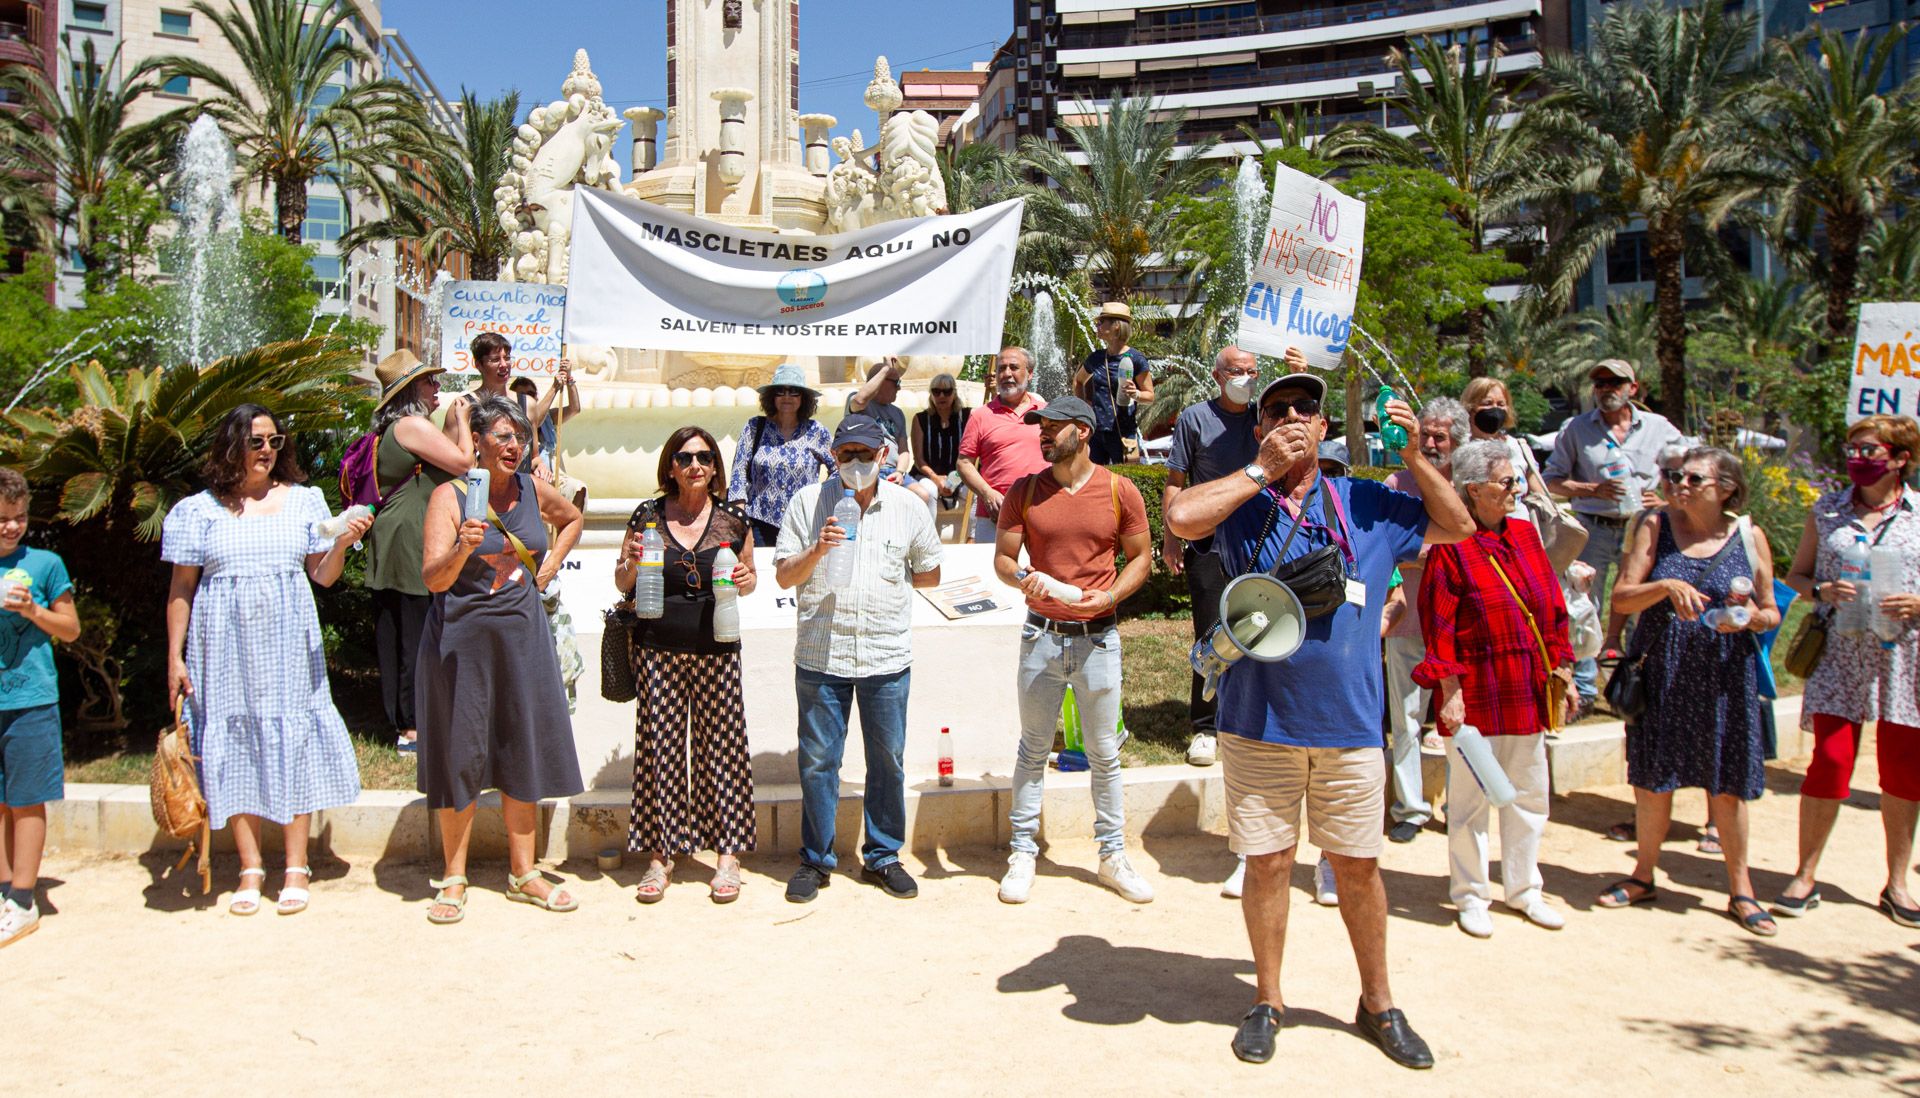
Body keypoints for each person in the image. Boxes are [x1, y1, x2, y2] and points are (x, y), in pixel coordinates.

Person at [1166, 371, 1471, 1069]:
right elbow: (1180, 519)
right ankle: (1267, 1000)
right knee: (1270, 866)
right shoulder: (1246, 504)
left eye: (1306, 407)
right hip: (1258, 720)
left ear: (1326, 425)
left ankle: (1378, 1003)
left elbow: (1458, 526)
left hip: (1351, 724)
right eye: (1276, 409)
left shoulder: (1365, 503)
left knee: (1358, 869)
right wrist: (1258, 467)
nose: (1293, 415)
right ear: (1261, 426)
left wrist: (1419, 456)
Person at [163, 405, 371, 917]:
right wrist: (175, 657)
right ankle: (250, 866)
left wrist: (343, 540)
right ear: (230, 445)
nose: (266, 452)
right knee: (231, 742)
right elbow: (181, 588)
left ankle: (296, 865)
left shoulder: (303, 501)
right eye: (256, 442)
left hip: (286, 643)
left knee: (293, 739)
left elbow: (322, 575)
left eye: (274, 442)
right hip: (221, 647)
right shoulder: (198, 510)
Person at [1594, 447, 1781, 937]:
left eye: (1693, 478)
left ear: (1726, 489)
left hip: (1725, 673)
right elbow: (1622, 595)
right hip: (1665, 667)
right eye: (1674, 475)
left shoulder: (1748, 535)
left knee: (1728, 782)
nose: (1679, 483)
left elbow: (1771, 609)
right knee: (1654, 775)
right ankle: (1643, 875)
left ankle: (1741, 889)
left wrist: (1752, 619)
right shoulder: (1656, 526)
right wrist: (1667, 586)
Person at [415, 396, 585, 925]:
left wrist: (552, 562)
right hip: (460, 641)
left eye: (519, 438)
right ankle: (454, 877)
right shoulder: (449, 496)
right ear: (480, 444)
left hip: (523, 638)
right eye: (503, 438)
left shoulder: (534, 490)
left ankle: (523, 872)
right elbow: (434, 579)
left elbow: (573, 516)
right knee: (460, 750)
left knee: (521, 744)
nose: (515, 447)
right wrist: (462, 549)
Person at [774, 414, 943, 903]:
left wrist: (892, 583)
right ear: (834, 457)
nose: (855, 463)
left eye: (865, 455)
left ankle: (883, 855)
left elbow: (929, 571)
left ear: (883, 456)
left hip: (885, 655)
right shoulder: (808, 502)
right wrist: (818, 550)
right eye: (846, 454)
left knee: (887, 761)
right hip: (821, 656)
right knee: (819, 761)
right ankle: (816, 860)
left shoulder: (909, 508)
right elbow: (785, 576)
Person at [993, 396, 1155, 905]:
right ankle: (1022, 852)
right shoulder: (1025, 490)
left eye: (1052, 428)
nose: (1042, 436)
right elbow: (1003, 557)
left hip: (1099, 641)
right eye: (1040, 428)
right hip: (1040, 637)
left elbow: (1142, 558)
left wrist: (1108, 595)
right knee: (1032, 749)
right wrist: (1023, 579)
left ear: (1082, 432)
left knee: (1105, 754)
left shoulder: (1118, 489)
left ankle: (1112, 856)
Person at [1413, 440, 1577, 937]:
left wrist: (1563, 669)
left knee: (1530, 793)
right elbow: (1437, 626)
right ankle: (1470, 894)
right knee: (1470, 802)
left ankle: (1525, 889)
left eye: (1515, 480)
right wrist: (1450, 692)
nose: (1516, 490)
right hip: (1477, 691)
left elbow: (1552, 607)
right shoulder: (1449, 544)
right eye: (1507, 482)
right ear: (1473, 490)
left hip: (1527, 684)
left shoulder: (1526, 536)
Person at [1777, 414, 1920, 927]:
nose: (1857, 459)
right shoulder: (1828, 511)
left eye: (1870, 451)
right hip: (1839, 652)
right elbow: (1796, 573)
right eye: (1852, 449)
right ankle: (1805, 873)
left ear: (1900, 458)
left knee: (1903, 771)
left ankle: (1898, 883)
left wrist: (1918, 603)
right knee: (1831, 762)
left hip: (1904, 657)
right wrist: (1820, 591)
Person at [619, 427, 758, 904]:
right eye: (684, 457)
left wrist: (743, 578)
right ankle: (661, 856)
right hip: (657, 649)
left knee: (723, 750)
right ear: (670, 466)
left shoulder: (734, 520)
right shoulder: (647, 516)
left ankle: (727, 856)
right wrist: (633, 563)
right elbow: (622, 579)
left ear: (716, 467)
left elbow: (750, 579)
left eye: (704, 457)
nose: (695, 464)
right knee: (661, 752)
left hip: (717, 647)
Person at [1164, 346, 1297, 771]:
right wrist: (1170, 537)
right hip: (1209, 542)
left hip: (1263, 538)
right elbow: (1174, 482)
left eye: (1253, 371)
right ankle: (1205, 726)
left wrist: (1298, 373)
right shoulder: (1194, 419)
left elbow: (1305, 428)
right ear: (1219, 376)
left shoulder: (1266, 416)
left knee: (1265, 627)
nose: (1247, 378)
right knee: (1210, 632)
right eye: (1238, 371)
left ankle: (1261, 715)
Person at [1544, 360, 1686, 718]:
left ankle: (1642, 683)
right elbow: (1550, 481)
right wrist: (1592, 488)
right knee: (1583, 607)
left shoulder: (1660, 428)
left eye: (1615, 382)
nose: (1607, 388)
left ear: (1632, 389)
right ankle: (1587, 691)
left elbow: (1691, 469)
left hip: (1646, 531)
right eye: (1600, 383)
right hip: (1594, 528)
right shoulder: (1576, 429)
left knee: (1646, 604)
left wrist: (1668, 498)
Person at [362, 350, 472, 753]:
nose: (438, 388)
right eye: (430, 382)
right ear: (410, 391)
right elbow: (464, 463)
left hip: (399, 536)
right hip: (408, 539)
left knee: (404, 630)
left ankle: (407, 718)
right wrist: (460, 419)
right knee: (414, 632)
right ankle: (410, 727)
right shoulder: (410, 425)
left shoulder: (405, 428)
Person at [1378, 397, 1467, 844]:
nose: (1431, 443)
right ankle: (1409, 808)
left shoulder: (1470, 484)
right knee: (1406, 719)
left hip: (1461, 628)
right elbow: (1389, 550)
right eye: (1425, 433)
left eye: (1440, 436)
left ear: (1459, 441)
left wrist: (1432, 552)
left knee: (1460, 719)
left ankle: (1461, 804)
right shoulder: (1397, 483)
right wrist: (1428, 554)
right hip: (1408, 621)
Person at [0, 468, 79, 947]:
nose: (12, 526)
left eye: (19, 517)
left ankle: (24, 899)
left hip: (30, 700)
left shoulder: (46, 564)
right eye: (2, 518)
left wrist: (33, 611)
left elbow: (70, 629)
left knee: (27, 799)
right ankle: (5, 889)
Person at [729, 362, 836, 548]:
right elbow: (738, 473)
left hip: (804, 521)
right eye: (780, 391)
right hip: (759, 523)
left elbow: (838, 469)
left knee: (799, 575)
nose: (787, 397)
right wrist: (741, 520)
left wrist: (821, 497)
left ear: (804, 398)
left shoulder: (817, 431)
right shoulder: (754, 427)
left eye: (794, 391)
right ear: (772, 397)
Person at [444, 332, 571, 475]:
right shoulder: (462, 407)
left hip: (518, 493)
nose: (504, 365)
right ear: (478, 365)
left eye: (507, 358)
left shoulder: (527, 404)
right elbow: (447, 460)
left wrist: (540, 467)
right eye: (495, 359)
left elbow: (534, 457)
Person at [957, 347, 1049, 543]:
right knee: (992, 573)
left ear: (1030, 373)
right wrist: (986, 493)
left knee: (1041, 573)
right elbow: (964, 463)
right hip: (995, 517)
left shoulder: (1047, 414)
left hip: (1042, 511)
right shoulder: (980, 416)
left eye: (1014, 367)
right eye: (1001, 368)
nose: (1006, 374)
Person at [1073, 302, 1154, 465]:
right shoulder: (1096, 358)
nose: (1098, 325)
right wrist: (1084, 408)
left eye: (1102, 322)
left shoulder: (1136, 358)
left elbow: (1150, 396)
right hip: (1096, 432)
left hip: (1123, 433)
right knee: (1093, 480)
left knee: (1127, 481)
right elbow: (1078, 381)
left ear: (1116, 326)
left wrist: (1136, 394)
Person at [1460, 377, 1551, 504]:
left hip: (1520, 522)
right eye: (1487, 403)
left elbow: (1540, 497)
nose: (1495, 409)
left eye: (1501, 404)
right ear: (1470, 407)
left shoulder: (1518, 447)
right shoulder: (1457, 449)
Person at [911, 372, 970, 510]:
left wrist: (955, 480)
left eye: (947, 391)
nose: (941, 396)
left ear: (954, 393)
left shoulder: (968, 417)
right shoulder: (920, 419)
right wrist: (936, 478)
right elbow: (919, 460)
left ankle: (972, 532)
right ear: (931, 394)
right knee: (929, 490)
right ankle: (928, 531)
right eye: (936, 392)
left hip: (960, 475)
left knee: (975, 492)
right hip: (927, 475)